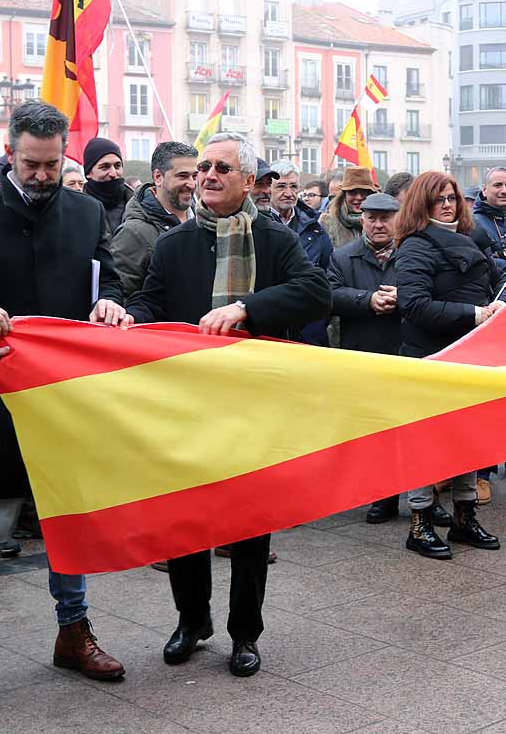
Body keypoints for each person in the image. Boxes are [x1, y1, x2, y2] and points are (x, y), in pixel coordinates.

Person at [0, 101, 129, 717]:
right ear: (10, 152)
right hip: (1, 397)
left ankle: (74, 632)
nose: (43, 176)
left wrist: (112, 305)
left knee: (69, 519)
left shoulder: (88, 210)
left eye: (52, 164)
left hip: (69, 398)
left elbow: (113, 278)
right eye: (31, 164)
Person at [123, 131, 331, 677]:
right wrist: (122, 315)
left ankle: (245, 633)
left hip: (250, 402)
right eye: (201, 168)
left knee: (248, 521)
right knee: (183, 515)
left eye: (220, 168)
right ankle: (192, 621)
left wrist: (245, 307)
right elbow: (151, 301)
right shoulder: (174, 243)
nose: (207, 176)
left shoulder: (275, 239)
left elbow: (315, 292)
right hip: (187, 402)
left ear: (247, 181)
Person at [394, 171, 503, 560]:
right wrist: (477, 313)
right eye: (438, 199)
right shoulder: (414, 247)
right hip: (430, 359)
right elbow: (415, 306)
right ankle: (419, 524)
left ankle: (464, 517)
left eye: (452, 198)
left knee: (469, 440)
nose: (447, 204)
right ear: (421, 204)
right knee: (425, 444)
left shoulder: (472, 239)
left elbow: (494, 284)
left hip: (469, 357)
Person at [329, 193, 405, 523]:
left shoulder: (410, 255)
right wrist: (366, 300)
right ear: (362, 220)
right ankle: (381, 496)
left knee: (405, 428)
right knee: (373, 430)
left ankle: (419, 495)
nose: (378, 224)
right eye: (371, 218)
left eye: (385, 218)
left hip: (404, 353)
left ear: (397, 221)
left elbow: (428, 293)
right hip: (363, 352)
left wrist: (403, 299)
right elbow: (329, 295)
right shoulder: (344, 257)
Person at [111, 141, 197, 297]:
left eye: (194, 176)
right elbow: (121, 298)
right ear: (158, 177)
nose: (191, 184)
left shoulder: (204, 220)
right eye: (183, 176)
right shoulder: (132, 233)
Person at [270, 160, 333, 345]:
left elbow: (328, 282)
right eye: (281, 186)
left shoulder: (316, 229)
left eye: (293, 186)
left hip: (310, 335)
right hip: (271, 334)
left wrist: (316, 327)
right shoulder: (257, 226)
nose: (288, 193)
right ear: (269, 188)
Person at [320, 166, 378, 248]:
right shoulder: (328, 222)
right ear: (344, 196)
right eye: (353, 192)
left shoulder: (382, 222)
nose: (359, 197)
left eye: (364, 192)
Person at [82, 137, 129, 232]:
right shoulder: (76, 209)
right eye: (105, 167)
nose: (113, 173)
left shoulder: (140, 207)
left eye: (117, 166)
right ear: (88, 173)